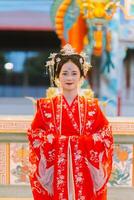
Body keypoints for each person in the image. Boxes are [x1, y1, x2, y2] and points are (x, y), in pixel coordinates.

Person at [27, 44, 113, 200]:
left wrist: (80, 142)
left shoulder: (92, 107)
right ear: (57, 76)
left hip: (84, 171)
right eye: (64, 73)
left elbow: (105, 134)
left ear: (81, 77)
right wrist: (54, 142)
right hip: (56, 170)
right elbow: (35, 134)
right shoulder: (46, 106)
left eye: (74, 73)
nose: (69, 78)